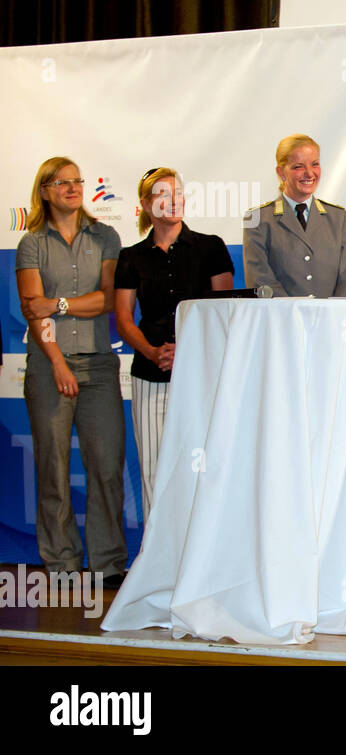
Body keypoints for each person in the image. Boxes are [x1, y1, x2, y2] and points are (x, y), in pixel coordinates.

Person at [14, 157, 127, 587]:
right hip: (49, 367)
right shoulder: (32, 244)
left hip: (99, 364)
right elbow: (32, 309)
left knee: (106, 466)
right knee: (53, 468)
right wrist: (58, 362)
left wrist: (59, 304)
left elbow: (108, 299)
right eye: (63, 182)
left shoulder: (106, 236)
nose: (73, 187)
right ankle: (62, 564)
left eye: (77, 180)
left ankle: (108, 563)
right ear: (45, 190)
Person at [114, 168, 234, 522]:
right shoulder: (131, 257)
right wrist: (152, 352)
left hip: (200, 373)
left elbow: (223, 309)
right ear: (146, 205)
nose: (174, 200)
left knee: (203, 467)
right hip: (150, 374)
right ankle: (157, 562)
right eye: (163, 194)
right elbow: (123, 319)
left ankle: (200, 560)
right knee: (153, 470)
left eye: (178, 192)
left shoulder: (210, 247)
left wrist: (188, 350)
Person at [242, 134, 346, 298]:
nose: (309, 173)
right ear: (281, 172)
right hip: (282, 319)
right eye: (298, 167)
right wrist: (294, 313)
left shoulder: (338, 218)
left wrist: (331, 312)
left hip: (330, 319)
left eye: (315, 164)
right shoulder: (256, 219)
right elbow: (260, 278)